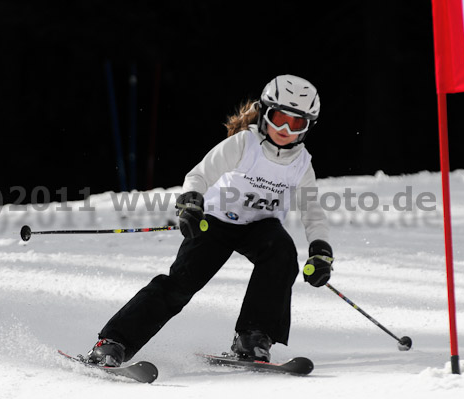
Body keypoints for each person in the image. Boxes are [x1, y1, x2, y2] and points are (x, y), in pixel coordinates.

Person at [85, 74, 334, 367]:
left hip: (260, 226)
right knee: (180, 284)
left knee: (282, 252)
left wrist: (321, 251)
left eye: (296, 124)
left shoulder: (302, 163)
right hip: (215, 220)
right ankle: (113, 343)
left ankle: (254, 338)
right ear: (264, 112)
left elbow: (312, 211)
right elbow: (199, 175)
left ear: (308, 128)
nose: (284, 129)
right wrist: (190, 203)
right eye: (279, 118)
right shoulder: (245, 144)